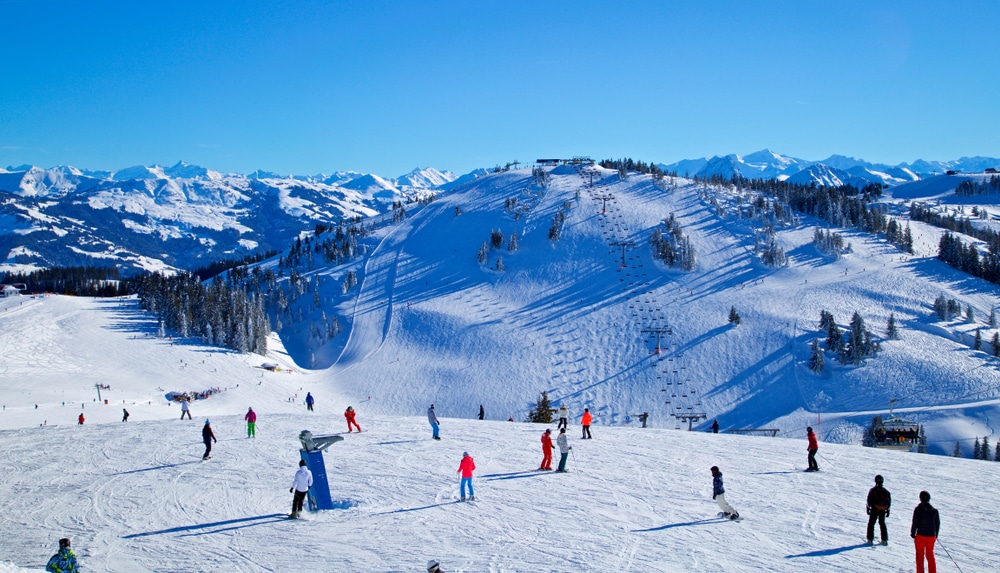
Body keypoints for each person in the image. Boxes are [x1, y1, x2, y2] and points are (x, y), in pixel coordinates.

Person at [911, 491, 940, 573]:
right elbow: (937, 524)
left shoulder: (918, 509)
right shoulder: (934, 511)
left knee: (920, 555)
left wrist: (913, 533)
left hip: (921, 536)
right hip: (931, 537)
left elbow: (915, 522)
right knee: (930, 555)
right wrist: (935, 535)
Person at [866, 474, 891, 545]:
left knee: (871, 524)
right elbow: (889, 502)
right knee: (882, 524)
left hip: (874, 509)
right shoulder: (886, 491)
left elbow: (869, 500)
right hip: (882, 510)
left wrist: (868, 508)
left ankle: (870, 539)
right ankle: (884, 539)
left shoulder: (873, 490)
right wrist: (888, 510)